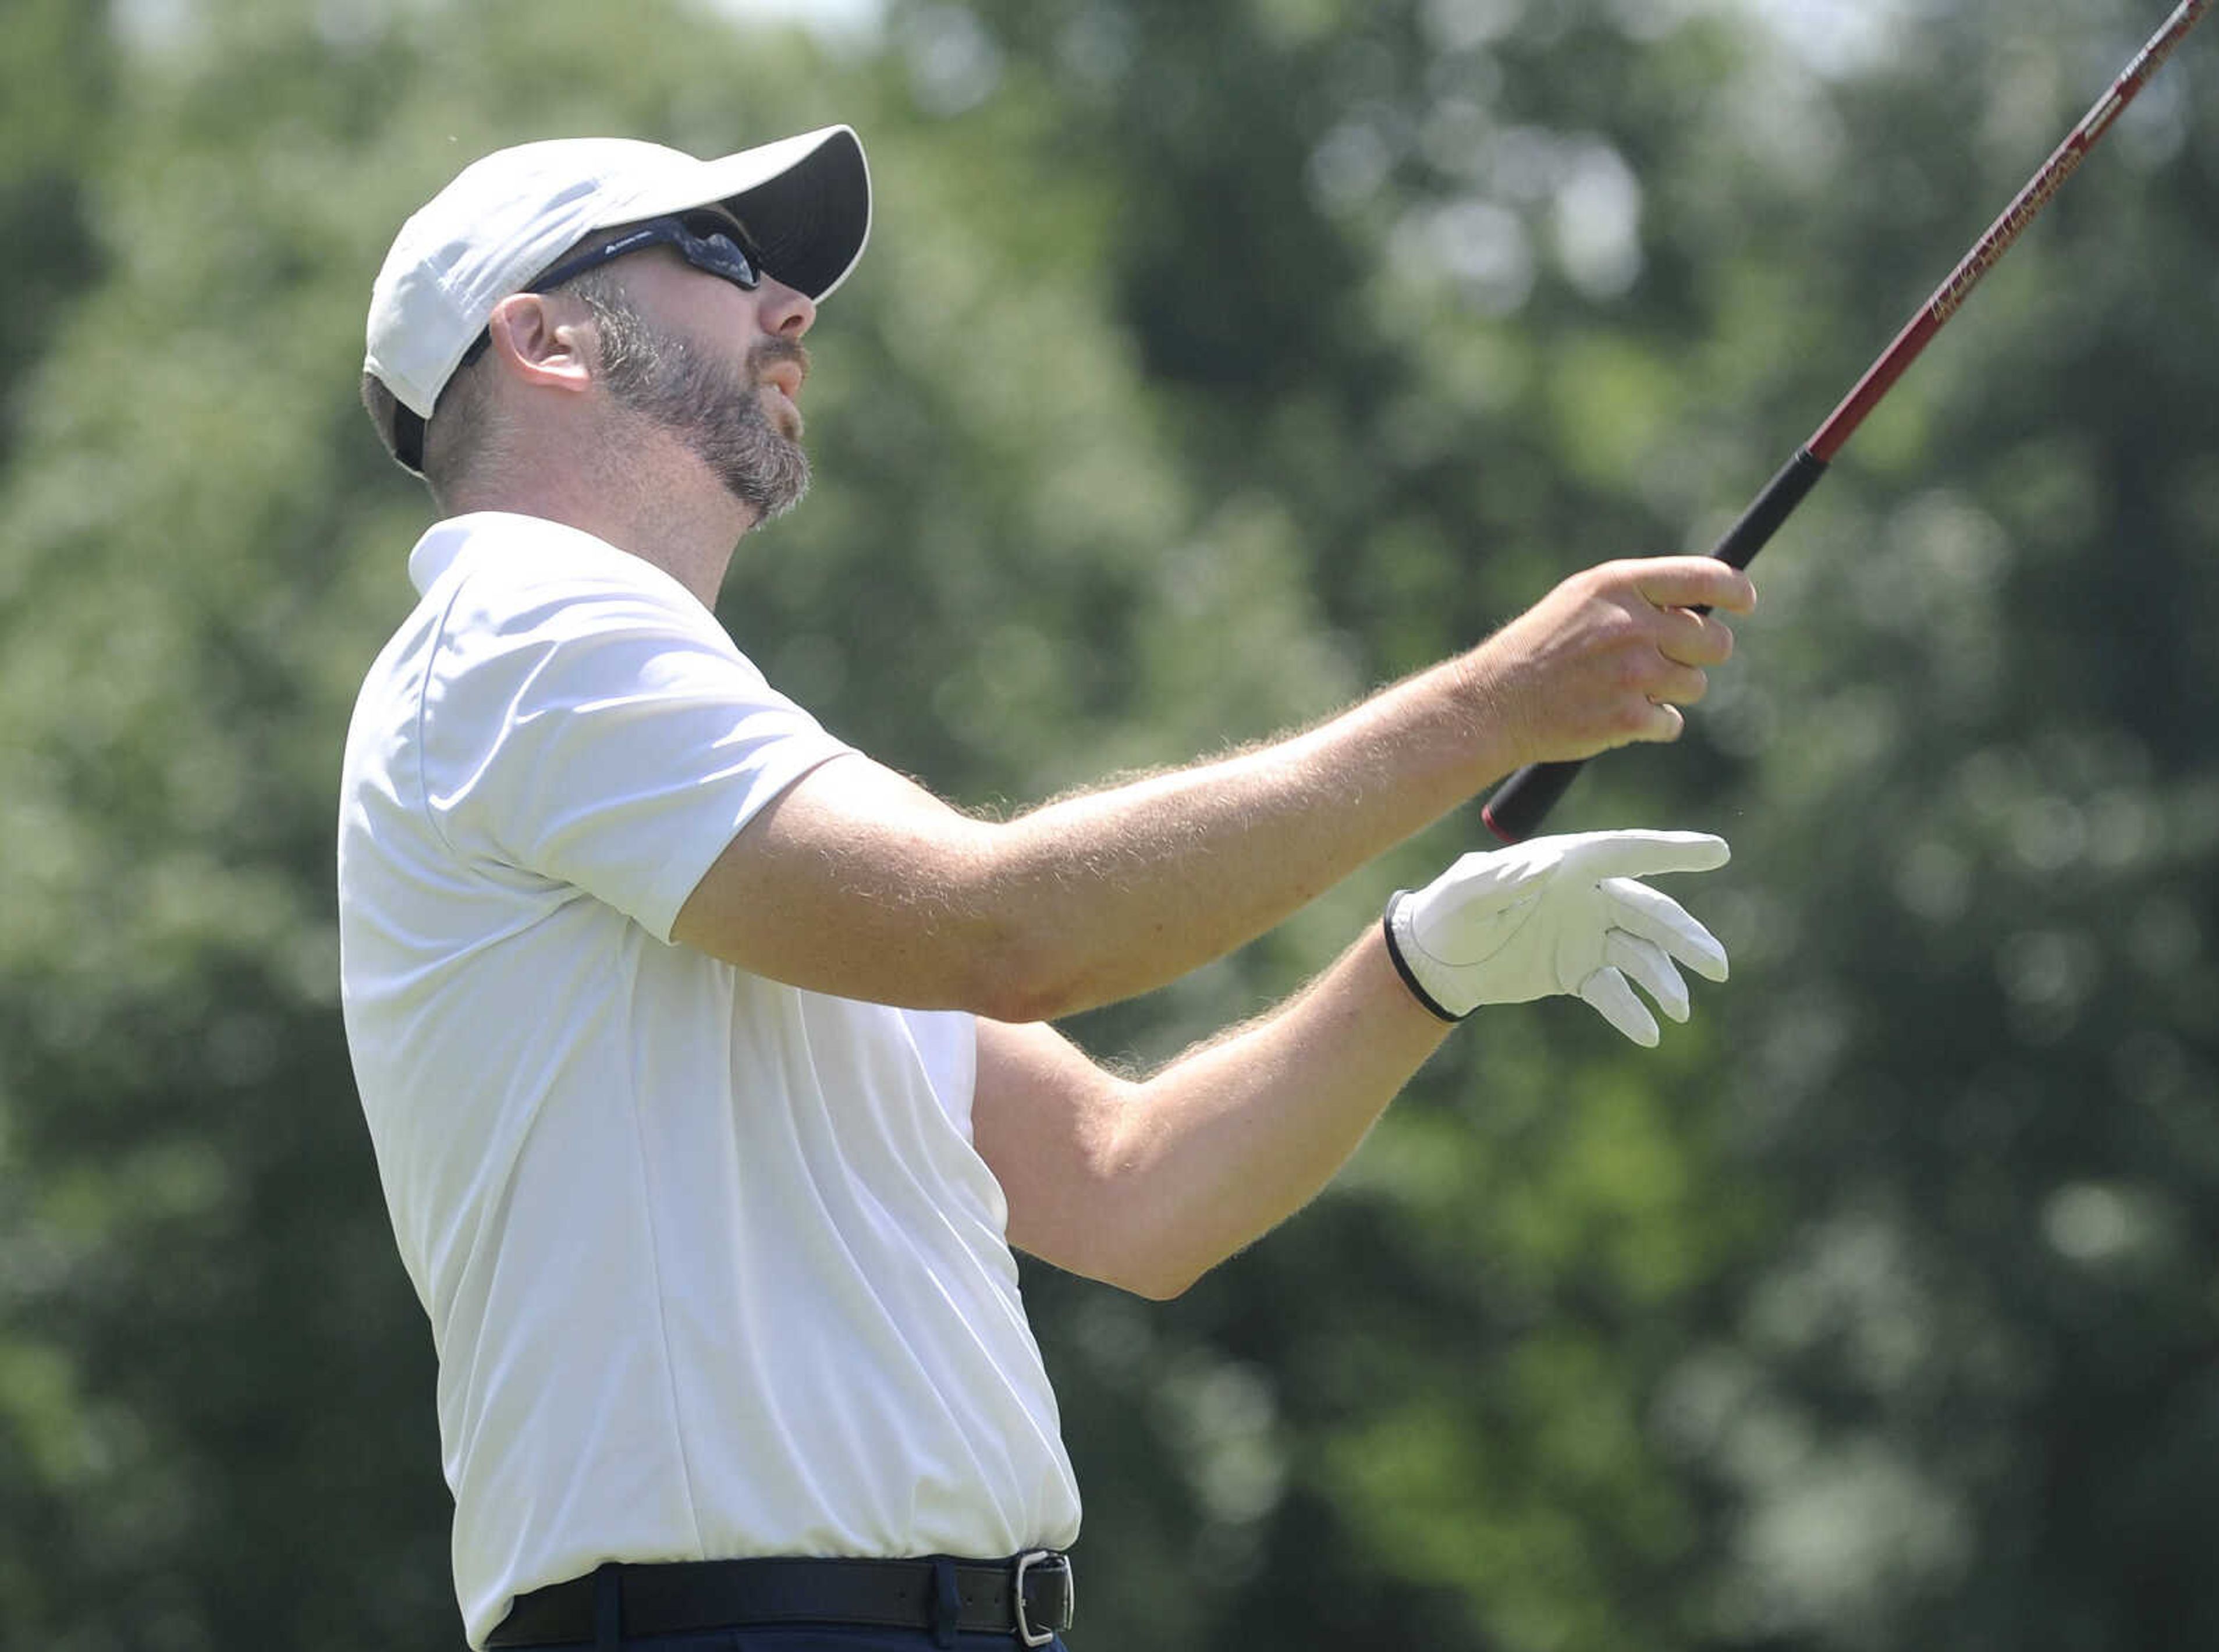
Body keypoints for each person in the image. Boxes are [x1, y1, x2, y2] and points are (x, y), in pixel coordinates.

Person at [339, 124, 1757, 1652]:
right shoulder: (527, 634)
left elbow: (1124, 1181)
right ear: (541, 338)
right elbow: (1009, 930)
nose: (793, 308)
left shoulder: (656, 733)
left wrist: (1416, 971)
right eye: (724, 258)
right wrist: (1490, 704)